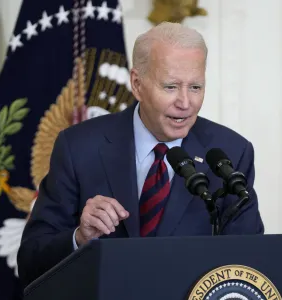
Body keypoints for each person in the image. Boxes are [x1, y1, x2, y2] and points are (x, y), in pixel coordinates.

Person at [17, 22, 264, 288]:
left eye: (195, 87)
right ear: (137, 84)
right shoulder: (78, 147)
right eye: (170, 87)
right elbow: (30, 262)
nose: (185, 102)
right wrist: (81, 237)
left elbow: (250, 266)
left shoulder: (231, 153)